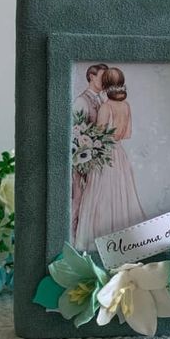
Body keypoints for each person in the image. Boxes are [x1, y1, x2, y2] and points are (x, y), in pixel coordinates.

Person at [74, 67, 146, 251]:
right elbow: (127, 134)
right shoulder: (126, 106)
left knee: (99, 196)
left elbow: (99, 135)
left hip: (105, 153)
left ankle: (96, 242)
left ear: (105, 85)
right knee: (120, 195)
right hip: (119, 153)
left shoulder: (106, 107)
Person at [71, 63, 108, 239]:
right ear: (92, 77)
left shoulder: (102, 100)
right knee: (78, 202)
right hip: (81, 162)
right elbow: (74, 133)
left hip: (94, 162)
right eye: (102, 77)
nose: (105, 81)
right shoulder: (81, 101)